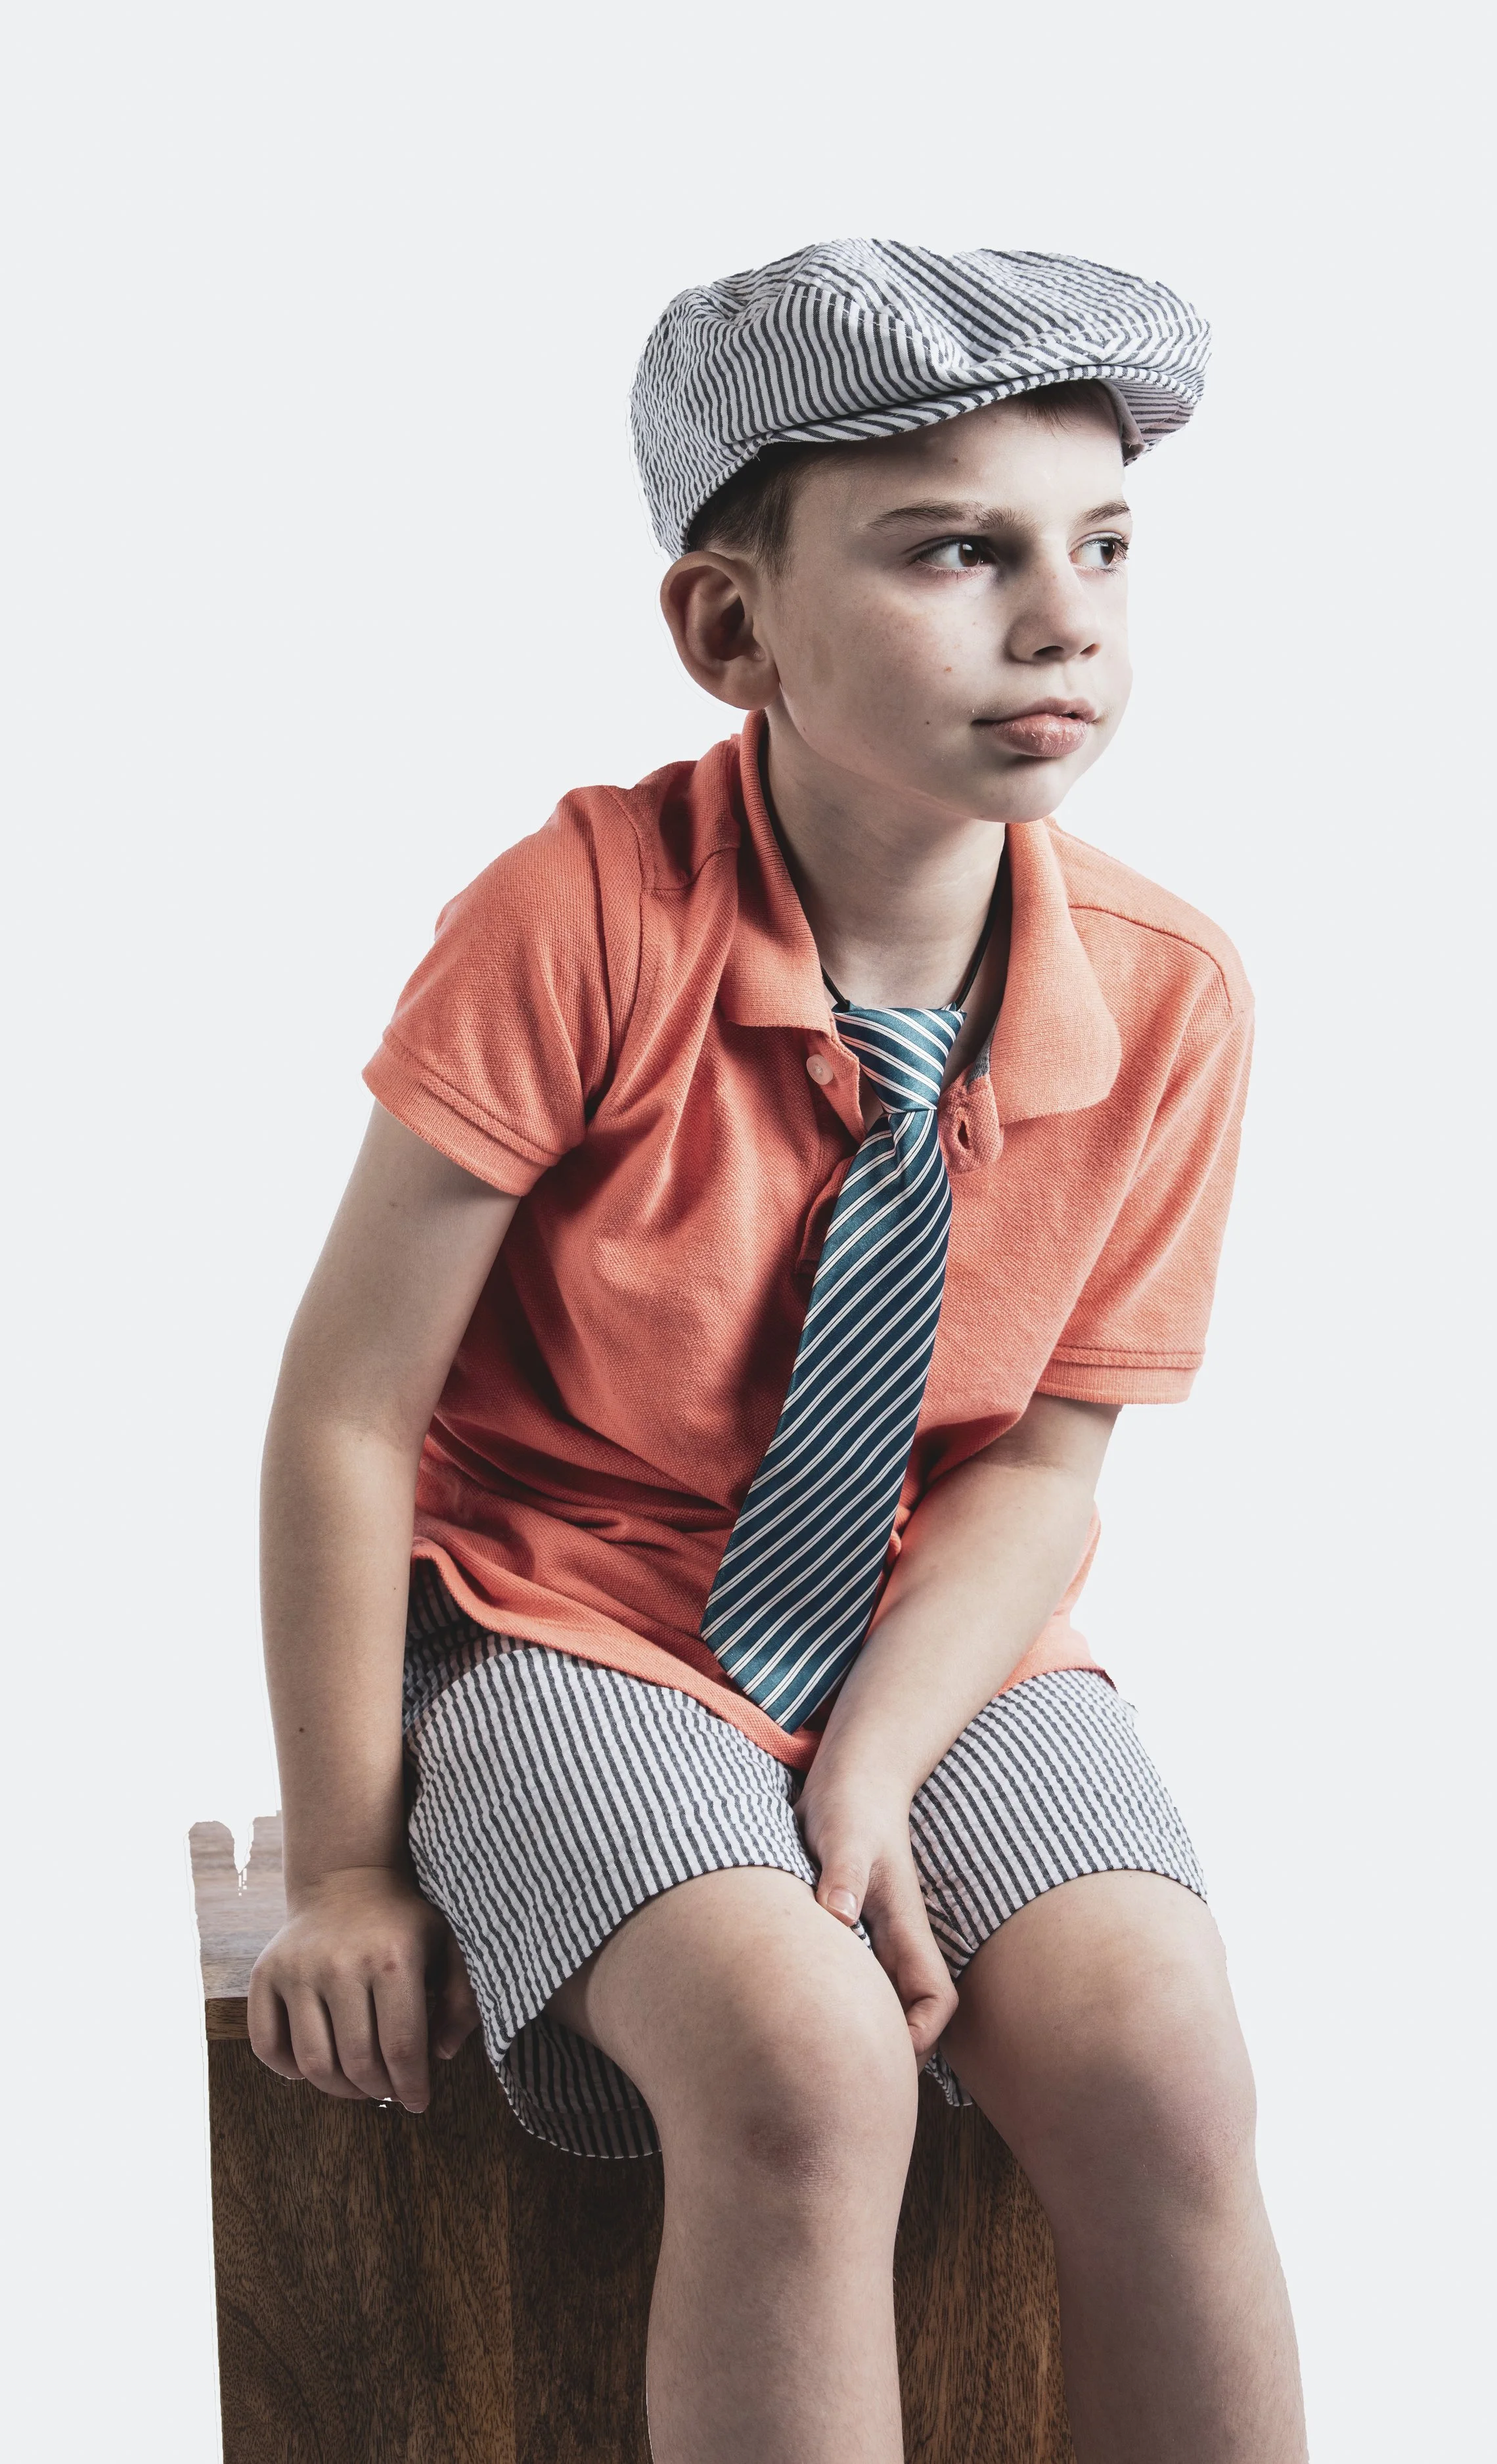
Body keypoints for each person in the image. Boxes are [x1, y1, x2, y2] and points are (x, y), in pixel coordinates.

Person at [249, 239, 1307, 2463]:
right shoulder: (576, 920)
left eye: (1100, 545)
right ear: (732, 628)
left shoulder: (1169, 993)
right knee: (805, 2063)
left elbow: (1044, 1466)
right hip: (569, 1622)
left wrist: (871, 1762)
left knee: (1160, 2054)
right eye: (954, 550)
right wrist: (348, 1862)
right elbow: (351, 1413)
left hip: (936, 1627)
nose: (1062, 618)